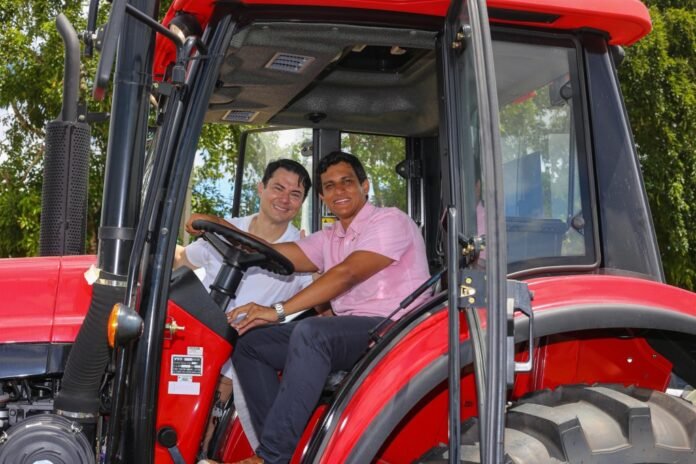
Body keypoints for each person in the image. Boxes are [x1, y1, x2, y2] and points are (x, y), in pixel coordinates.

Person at [202, 151, 431, 464]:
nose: (339, 191)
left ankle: (271, 457)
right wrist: (217, 226)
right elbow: (272, 251)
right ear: (323, 197)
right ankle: (285, 451)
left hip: (396, 328)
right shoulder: (330, 237)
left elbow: (346, 274)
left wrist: (277, 310)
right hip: (351, 330)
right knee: (251, 344)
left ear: (364, 186)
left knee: (312, 333)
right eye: (330, 186)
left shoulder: (390, 220)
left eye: (347, 182)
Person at [174, 158, 314, 455]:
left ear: (301, 203)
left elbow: (322, 295)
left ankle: (213, 441)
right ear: (261, 188)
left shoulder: (301, 252)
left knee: (225, 380)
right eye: (278, 188)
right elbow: (183, 259)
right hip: (200, 340)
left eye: (295, 194)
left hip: (246, 349)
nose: (284, 199)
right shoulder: (227, 230)